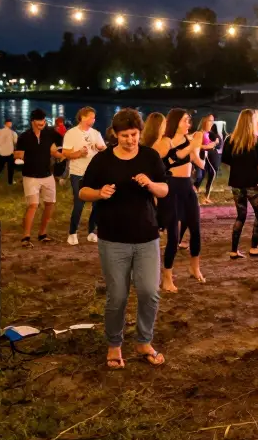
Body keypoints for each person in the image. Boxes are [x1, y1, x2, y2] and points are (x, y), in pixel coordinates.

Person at [78, 108, 169, 369]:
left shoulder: (150, 157)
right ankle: (114, 344)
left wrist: (150, 184)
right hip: (113, 238)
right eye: (125, 135)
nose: (130, 140)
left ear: (140, 133)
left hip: (146, 236)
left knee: (150, 292)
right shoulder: (103, 160)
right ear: (115, 135)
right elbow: (83, 191)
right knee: (117, 296)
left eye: (134, 134)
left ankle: (144, 341)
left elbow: (164, 189)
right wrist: (99, 193)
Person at [156, 109, 206, 292]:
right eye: (185, 120)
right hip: (171, 189)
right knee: (173, 237)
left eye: (189, 121)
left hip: (187, 188)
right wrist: (193, 144)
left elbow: (199, 163)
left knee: (196, 230)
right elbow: (171, 158)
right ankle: (167, 277)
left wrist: (199, 148)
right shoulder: (165, 141)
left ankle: (195, 267)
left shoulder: (189, 141)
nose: (188, 124)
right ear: (175, 122)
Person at [222, 109, 258, 258]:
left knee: (241, 216)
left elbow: (225, 160)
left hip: (236, 183)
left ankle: (234, 250)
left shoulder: (230, 139)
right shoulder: (255, 140)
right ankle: (254, 248)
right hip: (252, 183)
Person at [15, 109, 65, 247]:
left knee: (50, 204)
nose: (41, 123)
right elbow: (18, 154)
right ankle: (26, 237)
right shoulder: (24, 137)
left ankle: (42, 234)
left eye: (43, 120)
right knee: (33, 205)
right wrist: (19, 158)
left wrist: (61, 153)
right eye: (38, 120)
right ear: (32, 121)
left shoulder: (50, 133)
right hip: (30, 176)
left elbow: (61, 143)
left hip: (47, 174)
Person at [64, 107, 108, 246]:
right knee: (79, 203)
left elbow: (105, 150)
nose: (93, 120)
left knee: (97, 203)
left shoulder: (96, 133)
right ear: (82, 117)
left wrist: (101, 148)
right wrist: (79, 153)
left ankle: (92, 231)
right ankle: (72, 233)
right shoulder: (71, 133)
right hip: (78, 173)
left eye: (94, 117)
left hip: (95, 174)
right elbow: (65, 153)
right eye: (91, 117)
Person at [199, 115, 223, 203]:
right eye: (210, 120)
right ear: (204, 121)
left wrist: (215, 143)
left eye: (212, 121)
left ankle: (206, 197)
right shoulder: (200, 133)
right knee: (200, 176)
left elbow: (218, 144)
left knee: (212, 175)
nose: (212, 123)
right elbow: (197, 145)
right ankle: (195, 193)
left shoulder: (210, 133)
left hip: (211, 158)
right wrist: (212, 144)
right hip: (203, 158)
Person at [0, 118, 18, 184]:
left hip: (1, 153)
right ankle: (10, 182)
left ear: (4, 124)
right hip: (10, 153)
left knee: (0, 167)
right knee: (10, 168)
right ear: (10, 124)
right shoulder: (13, 133)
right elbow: (15, 142)